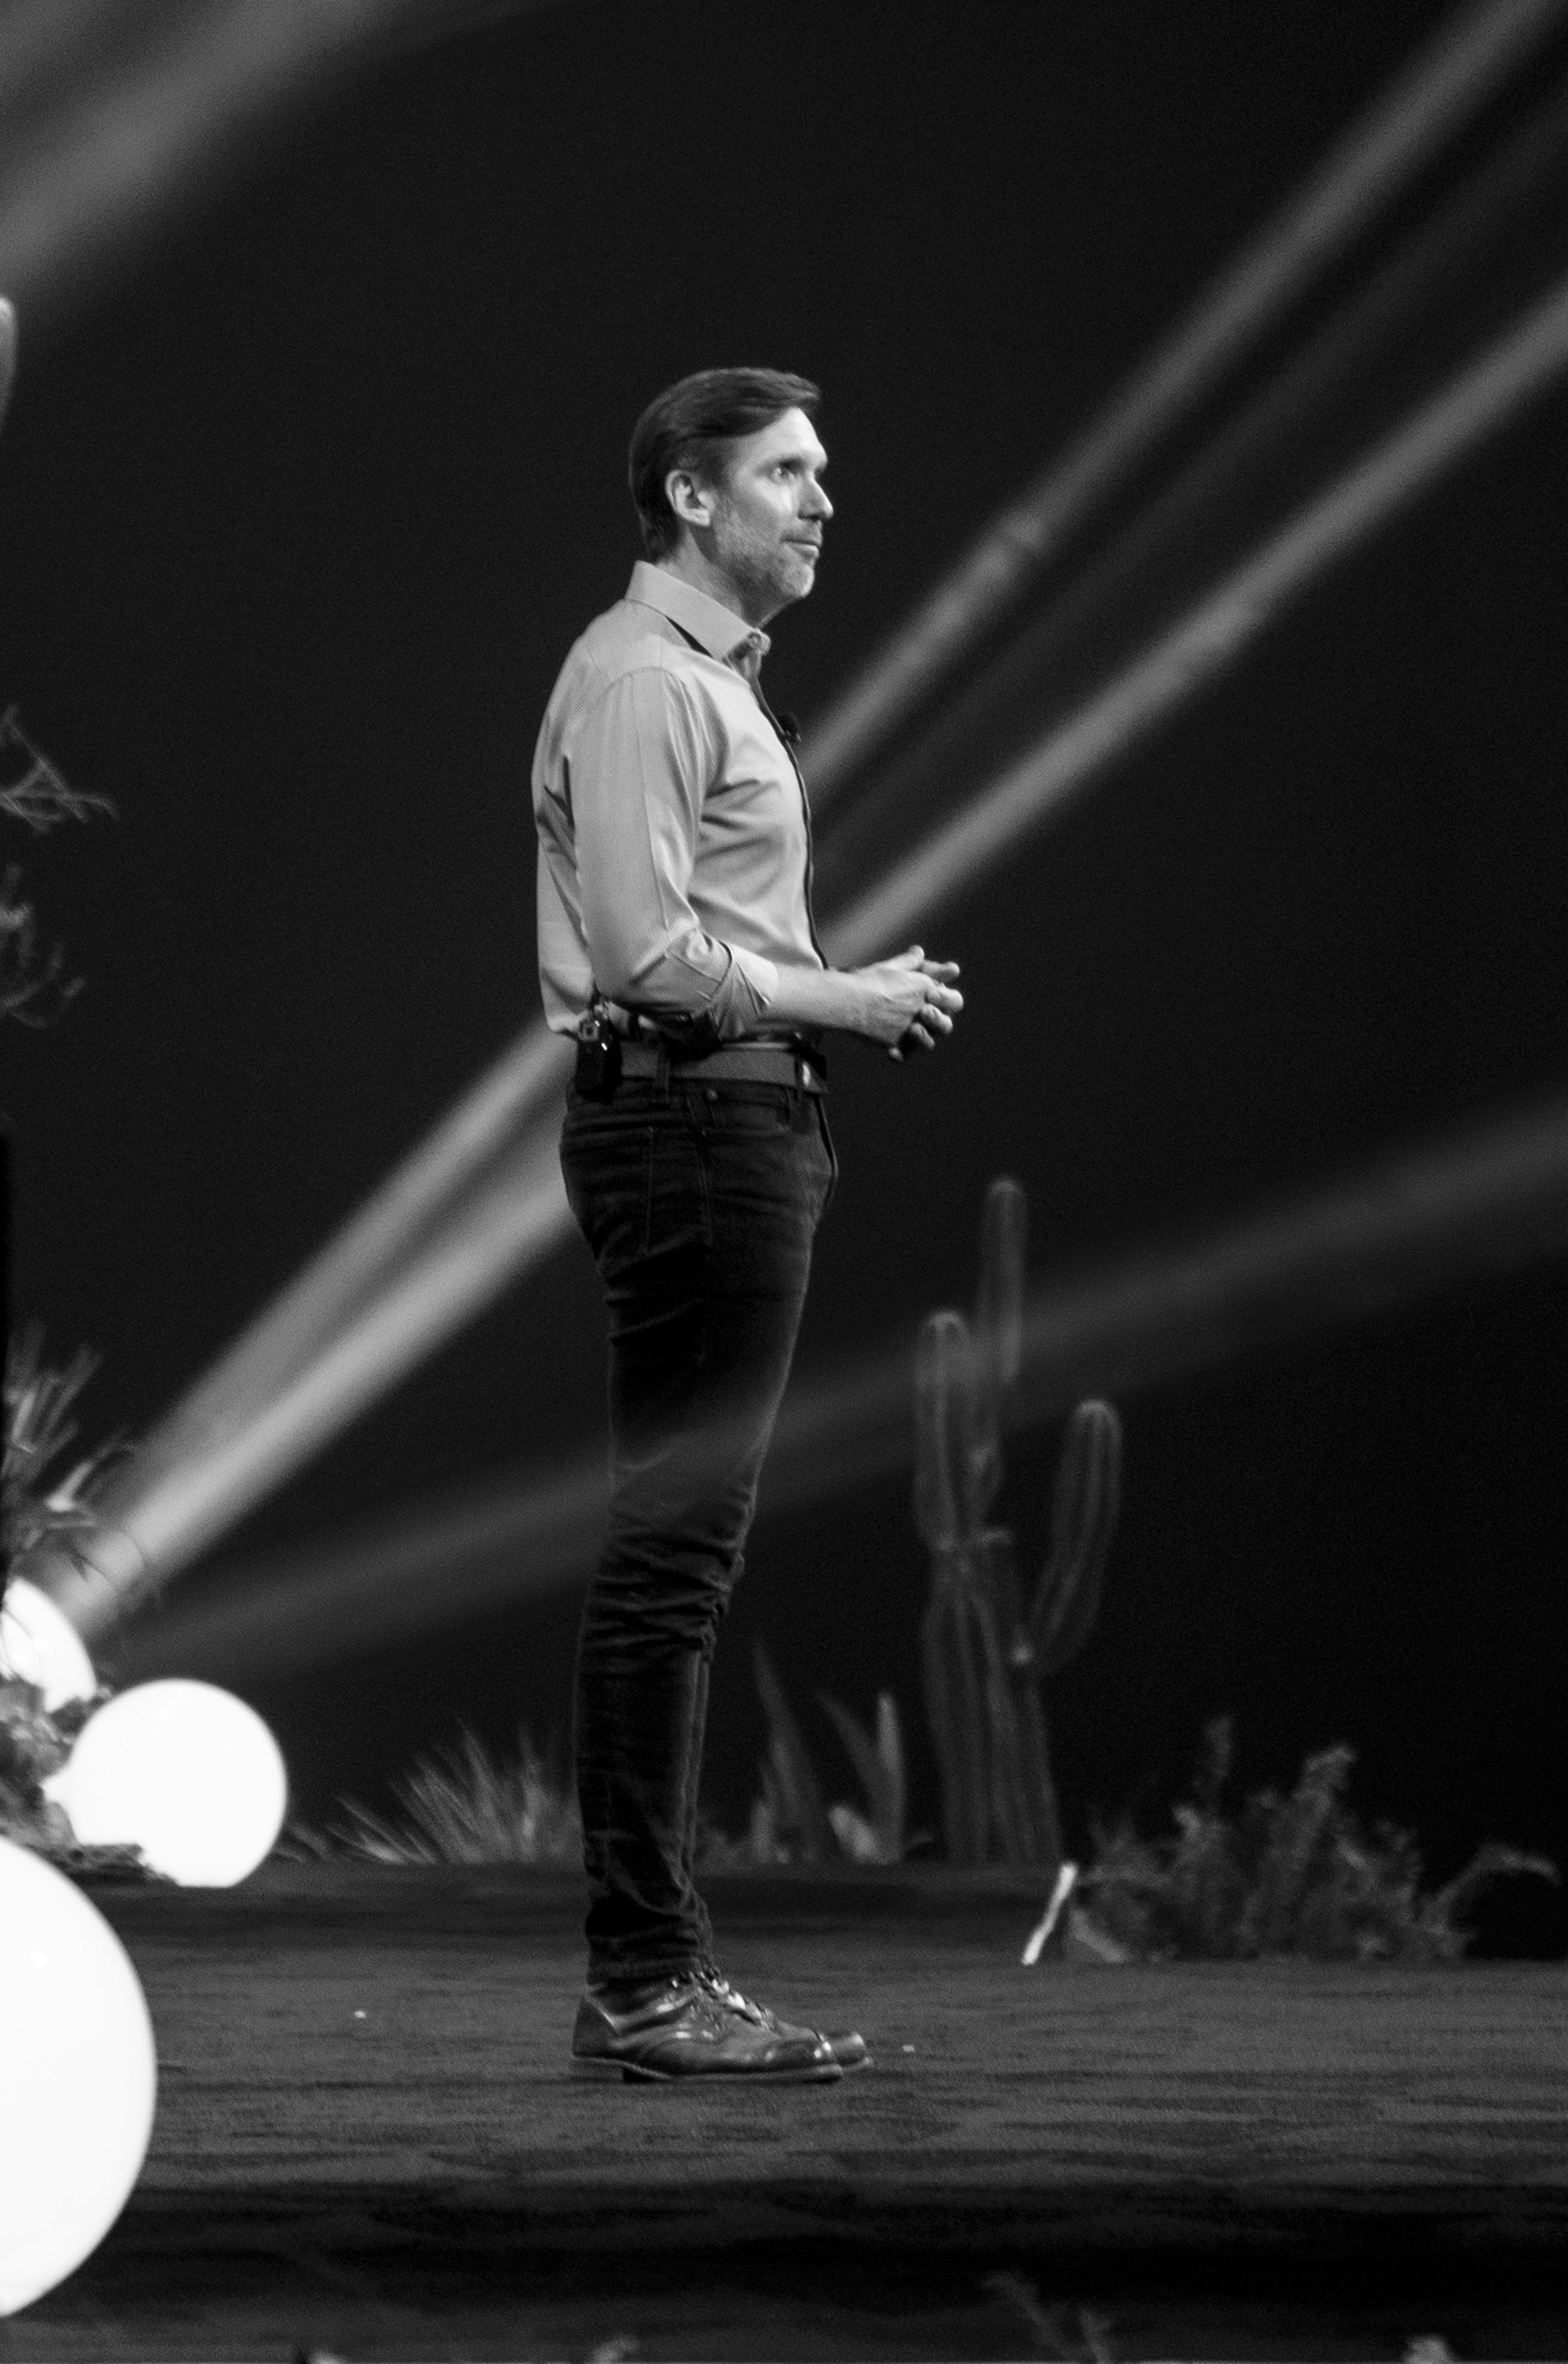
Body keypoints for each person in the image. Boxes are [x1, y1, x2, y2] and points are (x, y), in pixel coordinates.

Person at [533, 365, 971, 2082]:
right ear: (691, 499)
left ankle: (651, 1977)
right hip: (695, 1118)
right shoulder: (646, 678)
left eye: (824, 472)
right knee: (671, 1560)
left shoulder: (694, 678)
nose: (822, 499)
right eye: (786, 473)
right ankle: (642, 1983)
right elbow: (648, 952)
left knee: (677, 1559)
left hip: (719, 1123)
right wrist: (842, 1000)